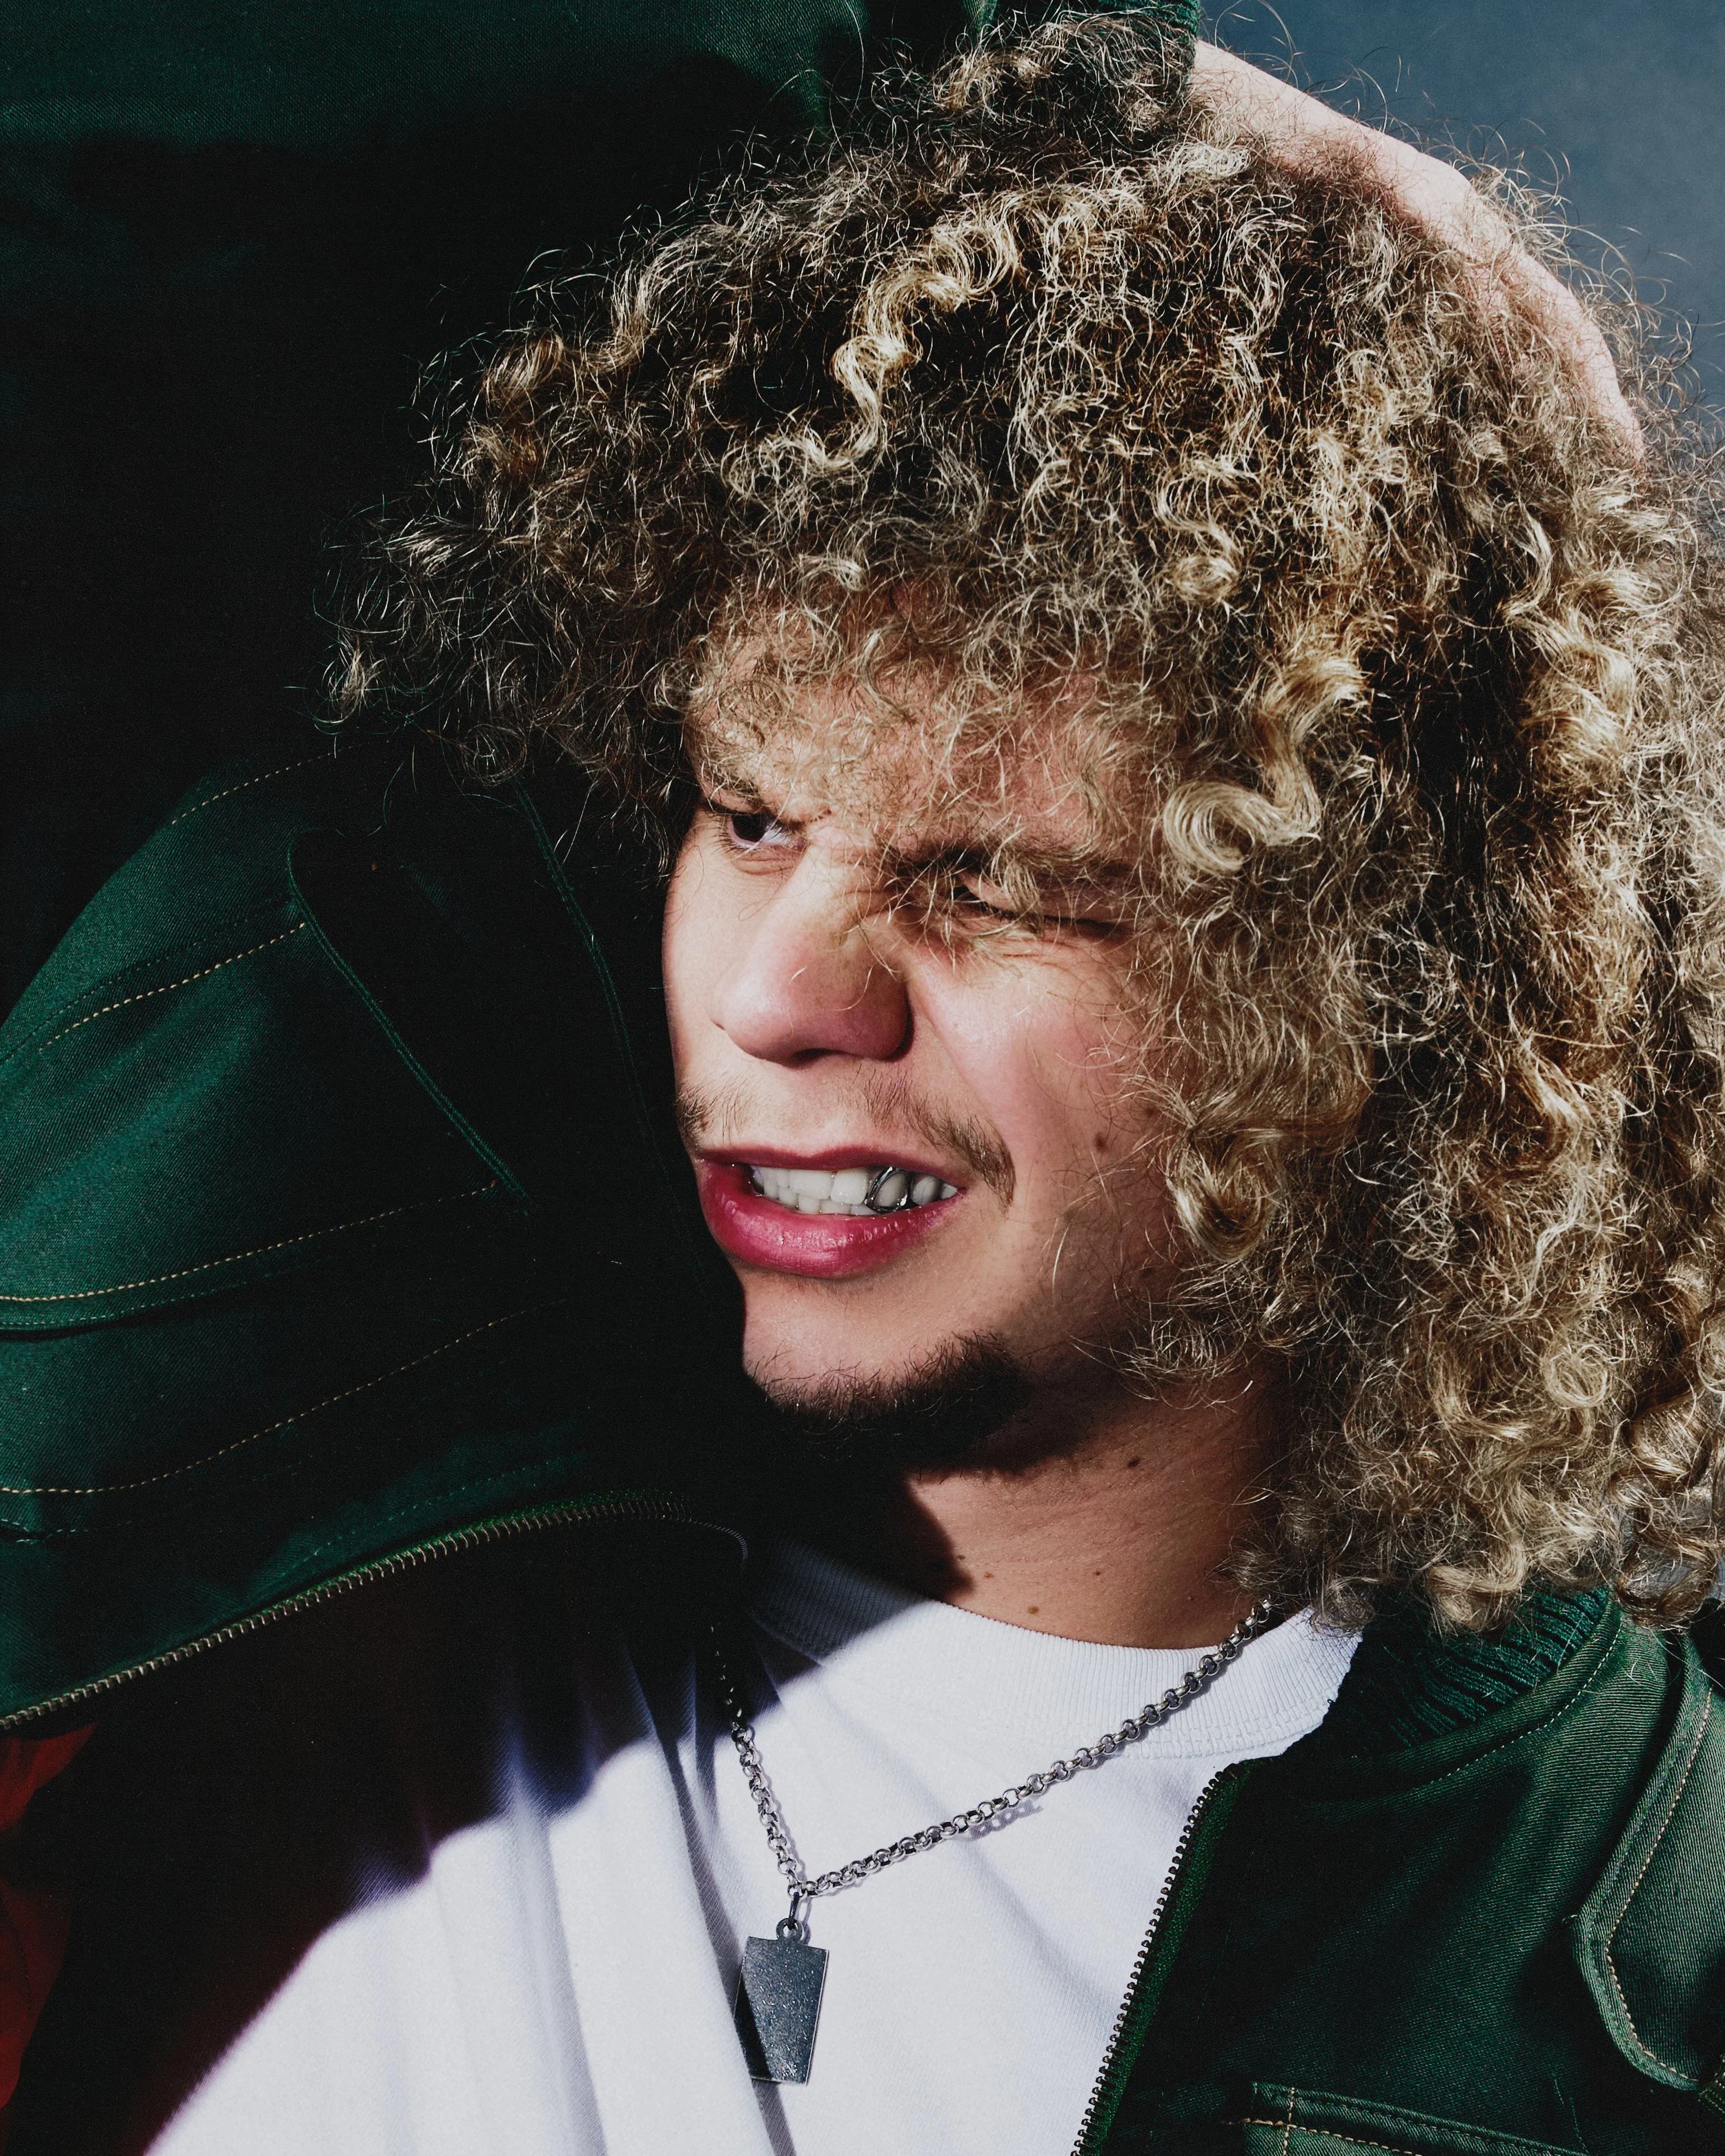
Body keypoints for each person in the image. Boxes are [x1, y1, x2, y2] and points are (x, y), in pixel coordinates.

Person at [3, 10, 1724, 2152]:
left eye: (991, 880)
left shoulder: (1610, 1970)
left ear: (1392, 988)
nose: (781, 999)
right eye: (747, 816)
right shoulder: (306, 1297)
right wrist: (1026, 59)